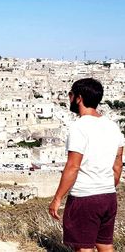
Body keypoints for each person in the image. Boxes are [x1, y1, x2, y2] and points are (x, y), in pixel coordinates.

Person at [49, 78, 124, 252]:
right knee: (105, 244)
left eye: (70, 94)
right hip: (108, 196)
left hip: (85, 196)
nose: (69, 98)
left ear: (79, 98)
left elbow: (73, 166)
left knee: (83, 248)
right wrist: (105, 188)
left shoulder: (79, 127)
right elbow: (118, 165)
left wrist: (58, 198)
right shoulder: (113, 127)